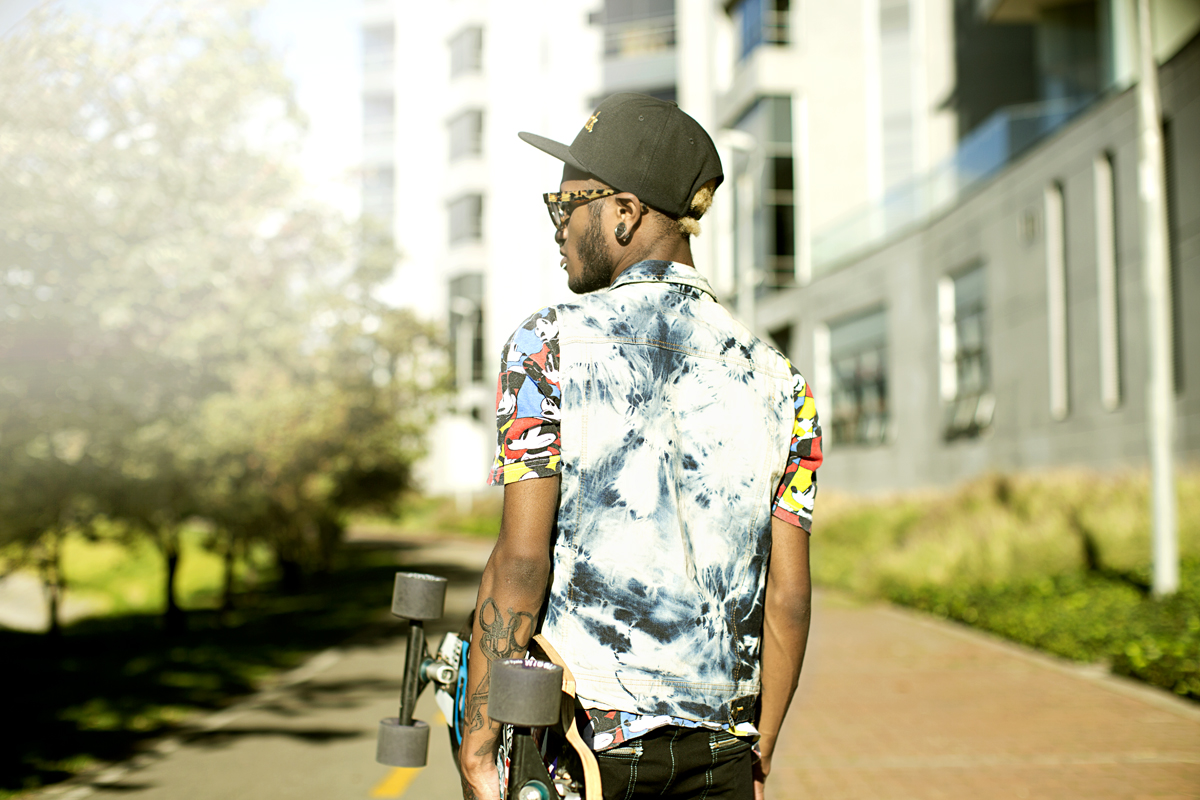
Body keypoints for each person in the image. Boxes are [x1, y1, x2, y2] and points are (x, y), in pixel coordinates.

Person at [459, 92, 822, 800]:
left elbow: (522, 560)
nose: (558, 228)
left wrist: (480, 739)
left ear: (624, 212)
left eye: (567, 206)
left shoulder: (547, 345)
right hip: (723, 752)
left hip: (587, 747)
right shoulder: (784, 384)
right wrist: (761, 748)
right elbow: (789, 597)